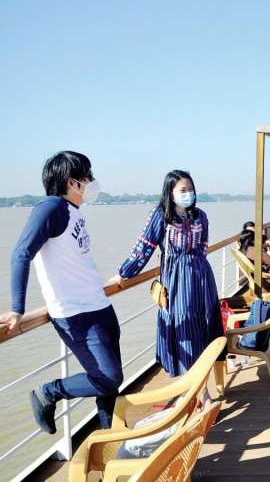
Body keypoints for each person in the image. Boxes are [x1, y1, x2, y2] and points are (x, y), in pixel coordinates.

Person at [0, 151, 123, 434]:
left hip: (100, 307)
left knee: (110, 387)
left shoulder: (73, 211)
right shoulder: (50, 208)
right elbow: (21, 254)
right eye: (87, 176)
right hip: (75, 315)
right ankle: (48, 392)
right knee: (108, 378)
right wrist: (17, 308)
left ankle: (112, 442)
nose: (92, 181)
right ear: (71, 182)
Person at [108, 170, 224, 378]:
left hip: (202, 277)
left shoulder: (200, 216)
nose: (188, 193)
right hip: (177, 280)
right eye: (182, 190)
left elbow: (203, 247)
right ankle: (193, 386)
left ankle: (202, 385)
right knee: (184, 327)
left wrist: (194, 266)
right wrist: (124, 273)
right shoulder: (161, 215)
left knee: (205, 324)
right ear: (170, 193)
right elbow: (144, 246)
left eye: (190, 189)